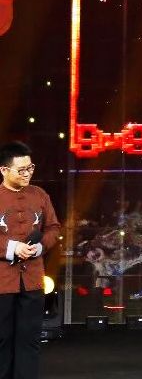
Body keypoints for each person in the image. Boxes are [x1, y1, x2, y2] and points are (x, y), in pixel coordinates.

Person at [0, 142, 59, 379]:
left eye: (30, 168)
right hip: (3, 282)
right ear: (4, 170)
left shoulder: (40, 195)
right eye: (21, 170)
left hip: (33, 280)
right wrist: (12, 248)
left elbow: (53, 228)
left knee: (30, 339)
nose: (27, 174)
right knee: (2, 339)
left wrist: (40, 247)